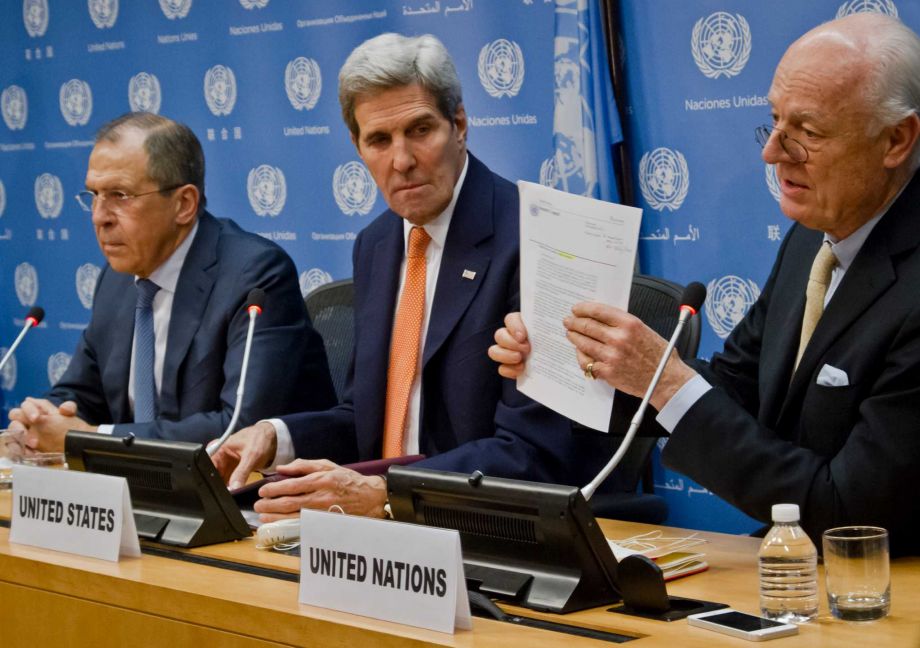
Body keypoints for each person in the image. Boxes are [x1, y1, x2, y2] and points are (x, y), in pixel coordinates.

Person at [490, 13, 920, 555]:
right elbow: (734, 387)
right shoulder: (812, 240)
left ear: (896, 140)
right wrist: (576, 361)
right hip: (786, 562)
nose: (772, 154)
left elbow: (849, 514)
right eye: (775, 122)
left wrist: (666, 380)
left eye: (807, 134)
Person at [211, 33, 574, 520]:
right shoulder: (377, 243)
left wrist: (386, 493)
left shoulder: (540, 239)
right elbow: (368, 422)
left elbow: (533, 453)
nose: (401, 161)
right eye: (379, 140)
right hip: (381, 530)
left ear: (460, 125)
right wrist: (277, 436)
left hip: (490, 526)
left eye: (420, 130)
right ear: (358, 148)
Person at [8, 112, 336, 450]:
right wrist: (39, 422)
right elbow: (81, 395)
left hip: (250, 493)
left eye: (120, 195)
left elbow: (240, 424)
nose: (99, 216)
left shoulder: (255, 276)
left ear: (184, 204)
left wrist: (91, 438)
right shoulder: (116, 280)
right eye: (94, 194)